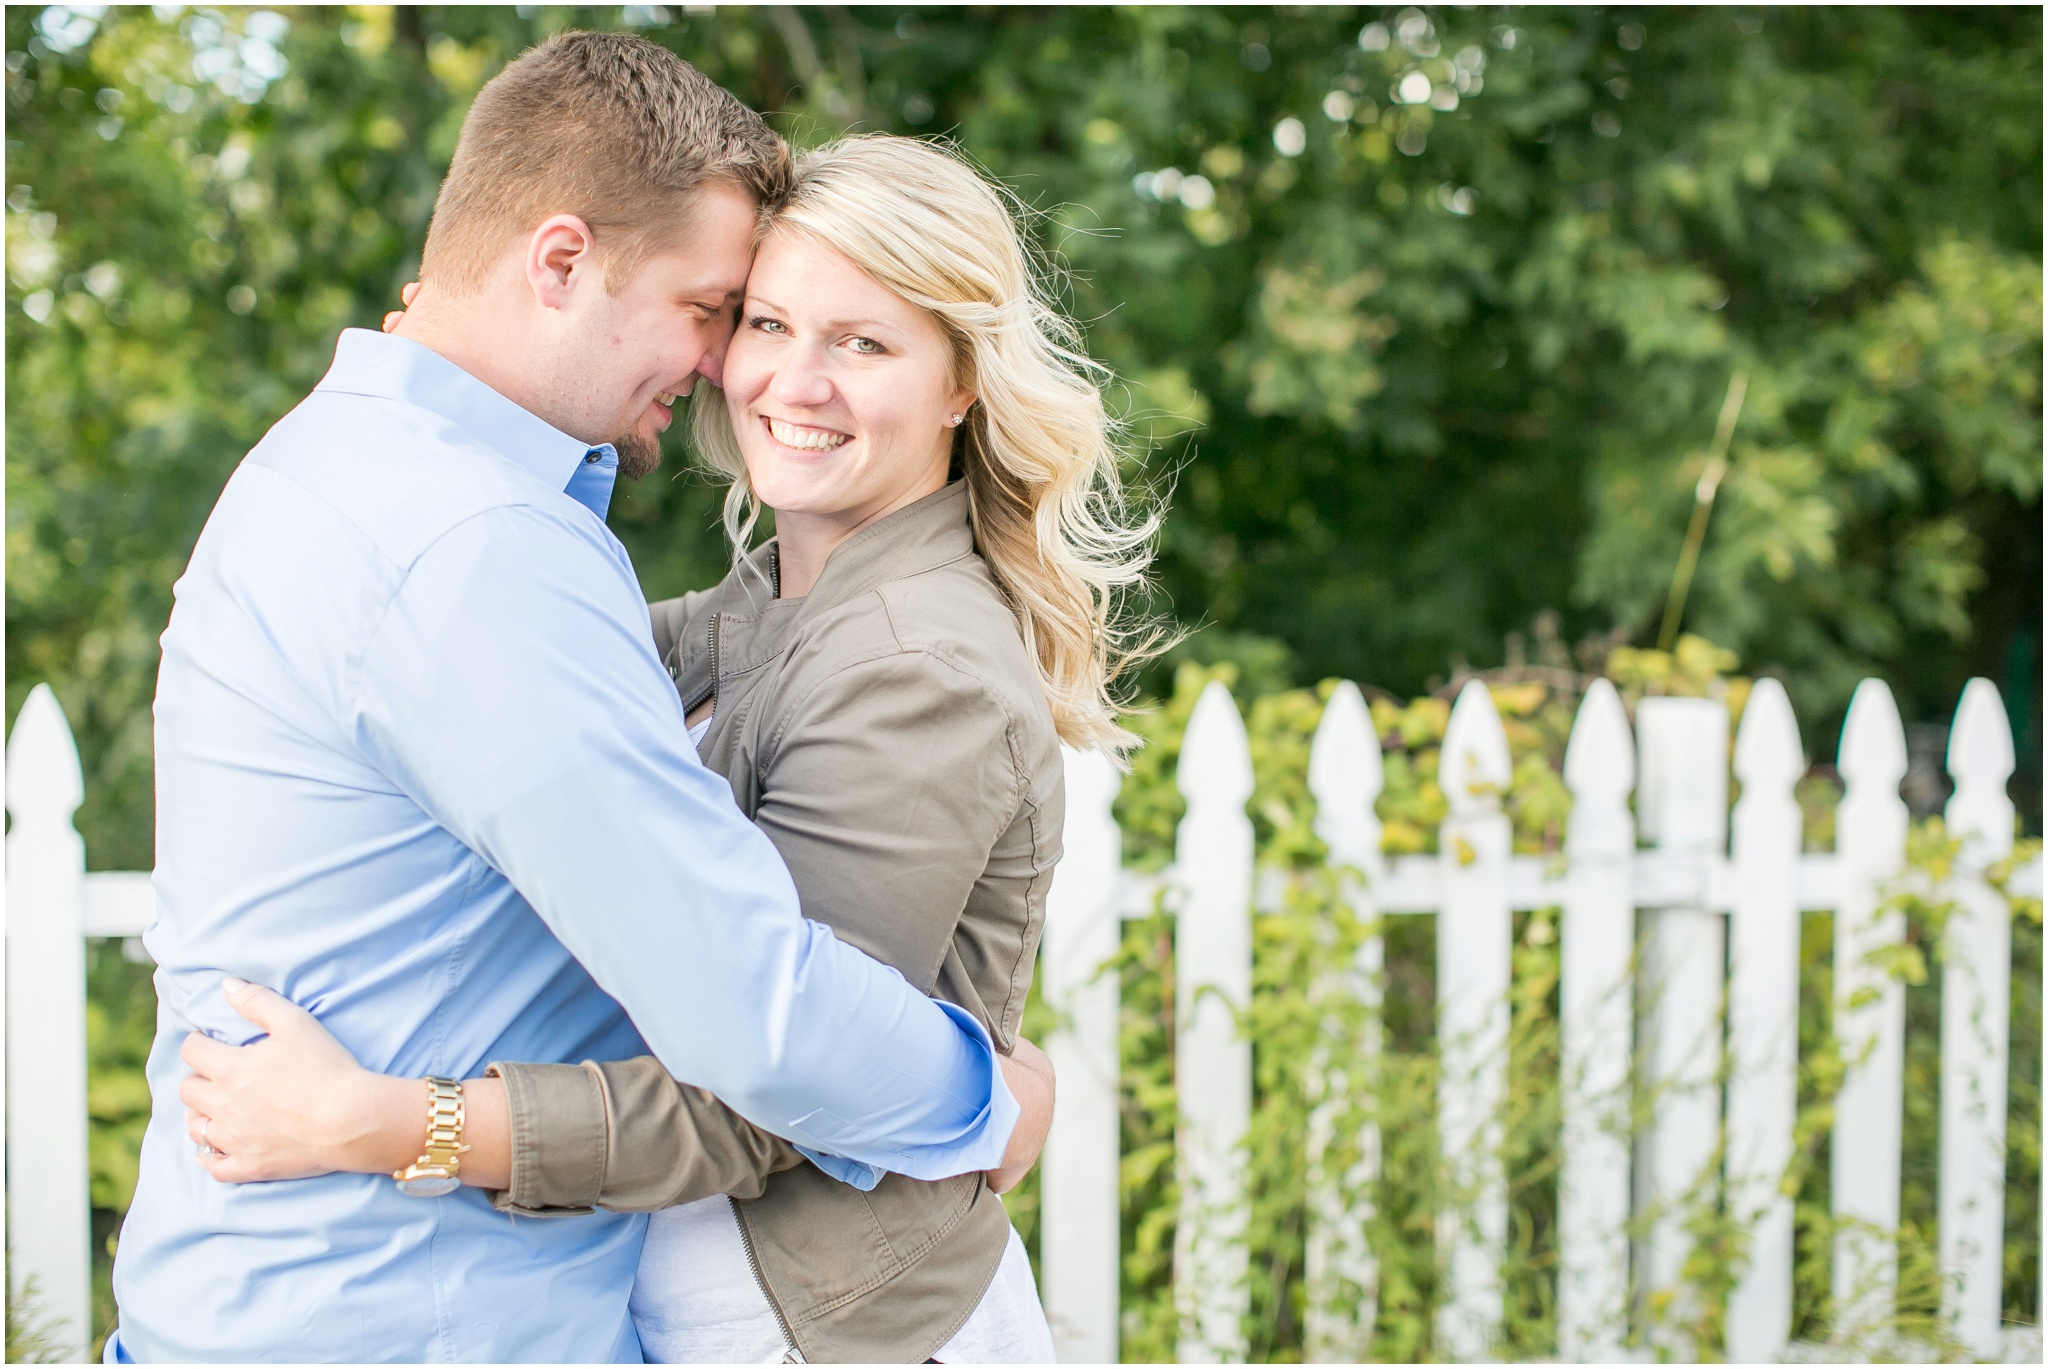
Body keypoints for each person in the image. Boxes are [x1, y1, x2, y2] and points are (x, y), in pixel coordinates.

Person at [111, 35, 1054, 1363]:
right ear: (559, 263)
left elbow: (754, 1036)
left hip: (364, 1300)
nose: (738, 364)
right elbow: (763, 1017)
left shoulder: (343, 464)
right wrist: (985, 1093)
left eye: (851, 337)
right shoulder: (477, 545)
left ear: (960, 376)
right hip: (395, 1318)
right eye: (729, 312)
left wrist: (401, 1120)